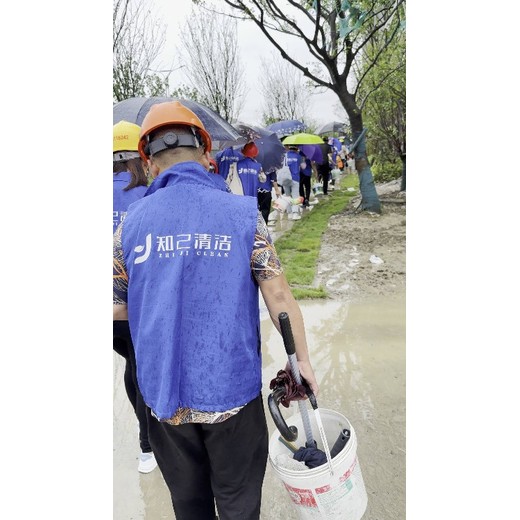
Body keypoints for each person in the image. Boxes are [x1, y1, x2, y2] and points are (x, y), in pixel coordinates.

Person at [112, 100, 319, 520]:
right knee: (240, 505)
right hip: (233, 397)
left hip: (164, 401)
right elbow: (279, 298)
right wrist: (303, 363)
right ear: (207, 156)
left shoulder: (129, 225)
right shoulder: (244, 216)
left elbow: (116, 310)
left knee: (190, 508)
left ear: (149, 164)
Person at [112, 120, 158, 474]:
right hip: (140, 303)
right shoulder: (150, 194)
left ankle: (147, 447)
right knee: (143, 366)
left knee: (132, 363)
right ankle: (150, 442)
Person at [280, 145, 302, 220]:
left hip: (285, 178)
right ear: (296, 149)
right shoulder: (298, 156)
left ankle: (289, 213)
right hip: (295, 178)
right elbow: (303, 166)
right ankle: (295, 214)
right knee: (295, 196)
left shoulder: (284, 156)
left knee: (287, 195)